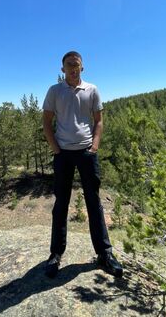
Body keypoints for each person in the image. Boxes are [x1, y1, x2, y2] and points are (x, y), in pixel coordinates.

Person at [42, 50, 123, 278]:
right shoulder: (55, 91)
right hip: (63, 154)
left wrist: (94, 146)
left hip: (87, 152)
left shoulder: (92, 90)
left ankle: (104, 254)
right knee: (61, 203)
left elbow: (99, 121)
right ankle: (55, 254)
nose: (73, 68)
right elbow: (46, 121)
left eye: (76, 64)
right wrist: (55, 149)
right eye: (69, 64)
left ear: (82, 67)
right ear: (63, 69)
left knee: (94, 202)